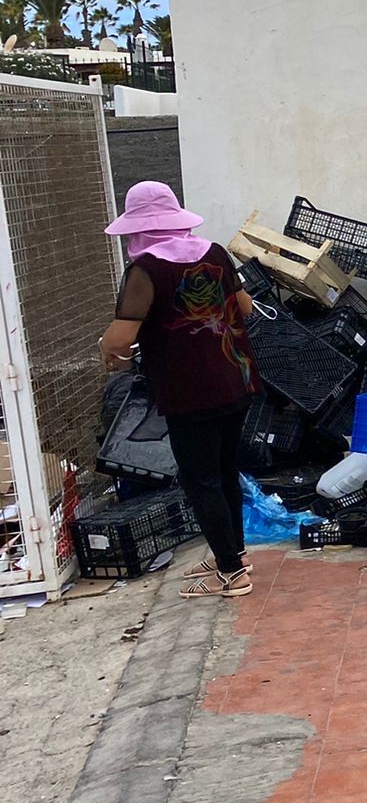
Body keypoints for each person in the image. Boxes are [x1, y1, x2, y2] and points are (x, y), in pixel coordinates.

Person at [97, 182, 261, 598]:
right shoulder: (215, 253)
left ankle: (230, 572)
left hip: (190, 390)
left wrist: (108, 349)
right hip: (235, 375)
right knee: (224, 471)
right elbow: (245, 308)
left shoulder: (145, 270)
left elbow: (119, 340)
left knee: (199, 478)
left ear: (137, 229)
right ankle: (234, 552)